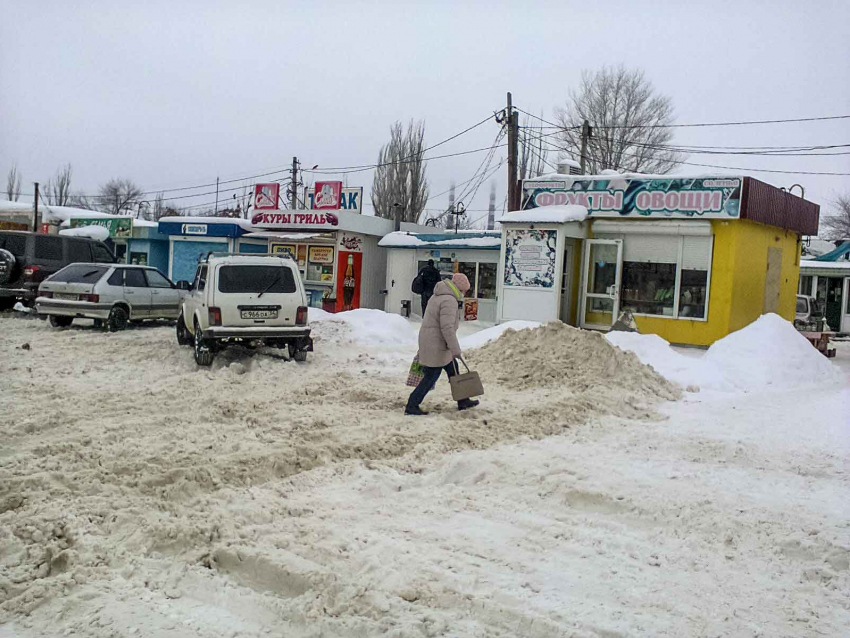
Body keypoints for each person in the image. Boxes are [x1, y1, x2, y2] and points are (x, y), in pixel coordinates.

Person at [406, 272, 480, 416]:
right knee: (432, 375)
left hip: (435, 341)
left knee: (454, 369)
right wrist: (455, 349)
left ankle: (463, 400)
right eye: (464, 290)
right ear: (459, 288)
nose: (465, 293)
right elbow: (447, 327)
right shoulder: (449, 301)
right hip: (437, 343)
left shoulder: (438, 295)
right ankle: (412, 404)